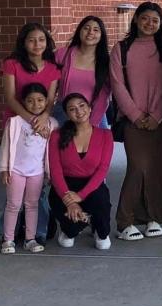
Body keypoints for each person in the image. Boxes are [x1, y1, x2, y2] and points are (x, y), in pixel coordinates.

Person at [111, 2, 162, 241]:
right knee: (137, 167)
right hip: (132, 119)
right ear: (136, 19)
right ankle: (125, 221)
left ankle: (153, 217)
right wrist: (136, 115)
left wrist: (157, 115)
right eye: (146, 18)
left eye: (155, 20)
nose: (150, 24)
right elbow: (117, 85)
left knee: (157, 166)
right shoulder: (122, 49)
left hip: (161, 120)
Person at [0, 22, 60, 244]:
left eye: (41, 39)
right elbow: (11, 98)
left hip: (41, 122)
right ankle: (8, 233)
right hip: (18, 124)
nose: (37, 44)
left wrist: (43, 118)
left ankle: (35, 233)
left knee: (36, 185)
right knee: (15, 182)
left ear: (47, 42)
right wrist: (32, 119)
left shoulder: (52, 68)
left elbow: (51, 100)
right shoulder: (12, 64)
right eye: (32, 39)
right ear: (24, 42)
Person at [48, 93, 114, 250]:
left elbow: (102, 170)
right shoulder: (57, 135)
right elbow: (55, 171)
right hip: (65, 186)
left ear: (90, 108)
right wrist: (69, 201)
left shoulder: (105, 135)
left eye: (82, 106)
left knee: (103, 242)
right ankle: (70, 228)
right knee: (68, 237)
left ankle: (99, 229)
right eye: (72, 109)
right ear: (67, 114)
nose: (79, 111)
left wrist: (81, 196)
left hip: (92, 185)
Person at [0, 83, 57, 254]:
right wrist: (4, 169)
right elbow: (5, 146)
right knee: (13, 204)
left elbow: (53, 151)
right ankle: (8, 240)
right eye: (30, 101)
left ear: (47, 102)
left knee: (32, 204)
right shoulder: (15, 122)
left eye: (40, 100)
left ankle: (30, 239)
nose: (35, 104)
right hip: (16, 171)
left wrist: (50, 172)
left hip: (36, 172)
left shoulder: (52, 124)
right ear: (23, 103)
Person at [54, 16, 111, 128]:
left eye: (96, 30)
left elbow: (104, 96)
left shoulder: (106, 62)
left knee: (97, 145)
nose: (90, 32)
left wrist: (91, 124)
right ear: (80, 30)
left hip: (94, 114)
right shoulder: (63, 54)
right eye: (86, 28)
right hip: (64, 113)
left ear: (101, 35)